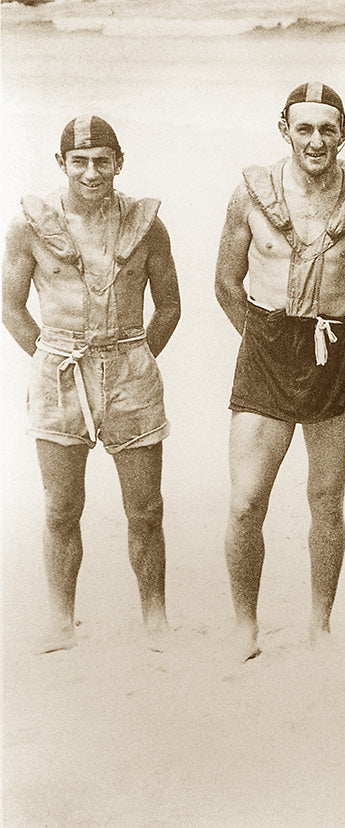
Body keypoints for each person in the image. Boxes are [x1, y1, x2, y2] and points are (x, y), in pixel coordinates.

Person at [214, 82, 345, 662]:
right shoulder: (251, 193)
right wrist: (266, 342)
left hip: (335, 350)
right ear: (284, 128)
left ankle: (321, 626)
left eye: (328, 129)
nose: (317, 140)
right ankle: (245, 628)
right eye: (304, 128)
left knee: (326, 498)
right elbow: (225, 283)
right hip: (266, 348)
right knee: (246, 502)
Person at [2, 115, 181, 653]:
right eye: (78, 160)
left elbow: (169, 305)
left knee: (146, 507)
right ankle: (61, 622)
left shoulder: (148, 226)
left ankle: (155, 619)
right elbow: (11, 306)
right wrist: (49, 356)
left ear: (119, 163)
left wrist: (138, 355)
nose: (91, 171)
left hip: (129, 368)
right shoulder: (29, 226)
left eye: (103, 160)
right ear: (61, 164)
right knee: (61, 507)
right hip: (60, 367)